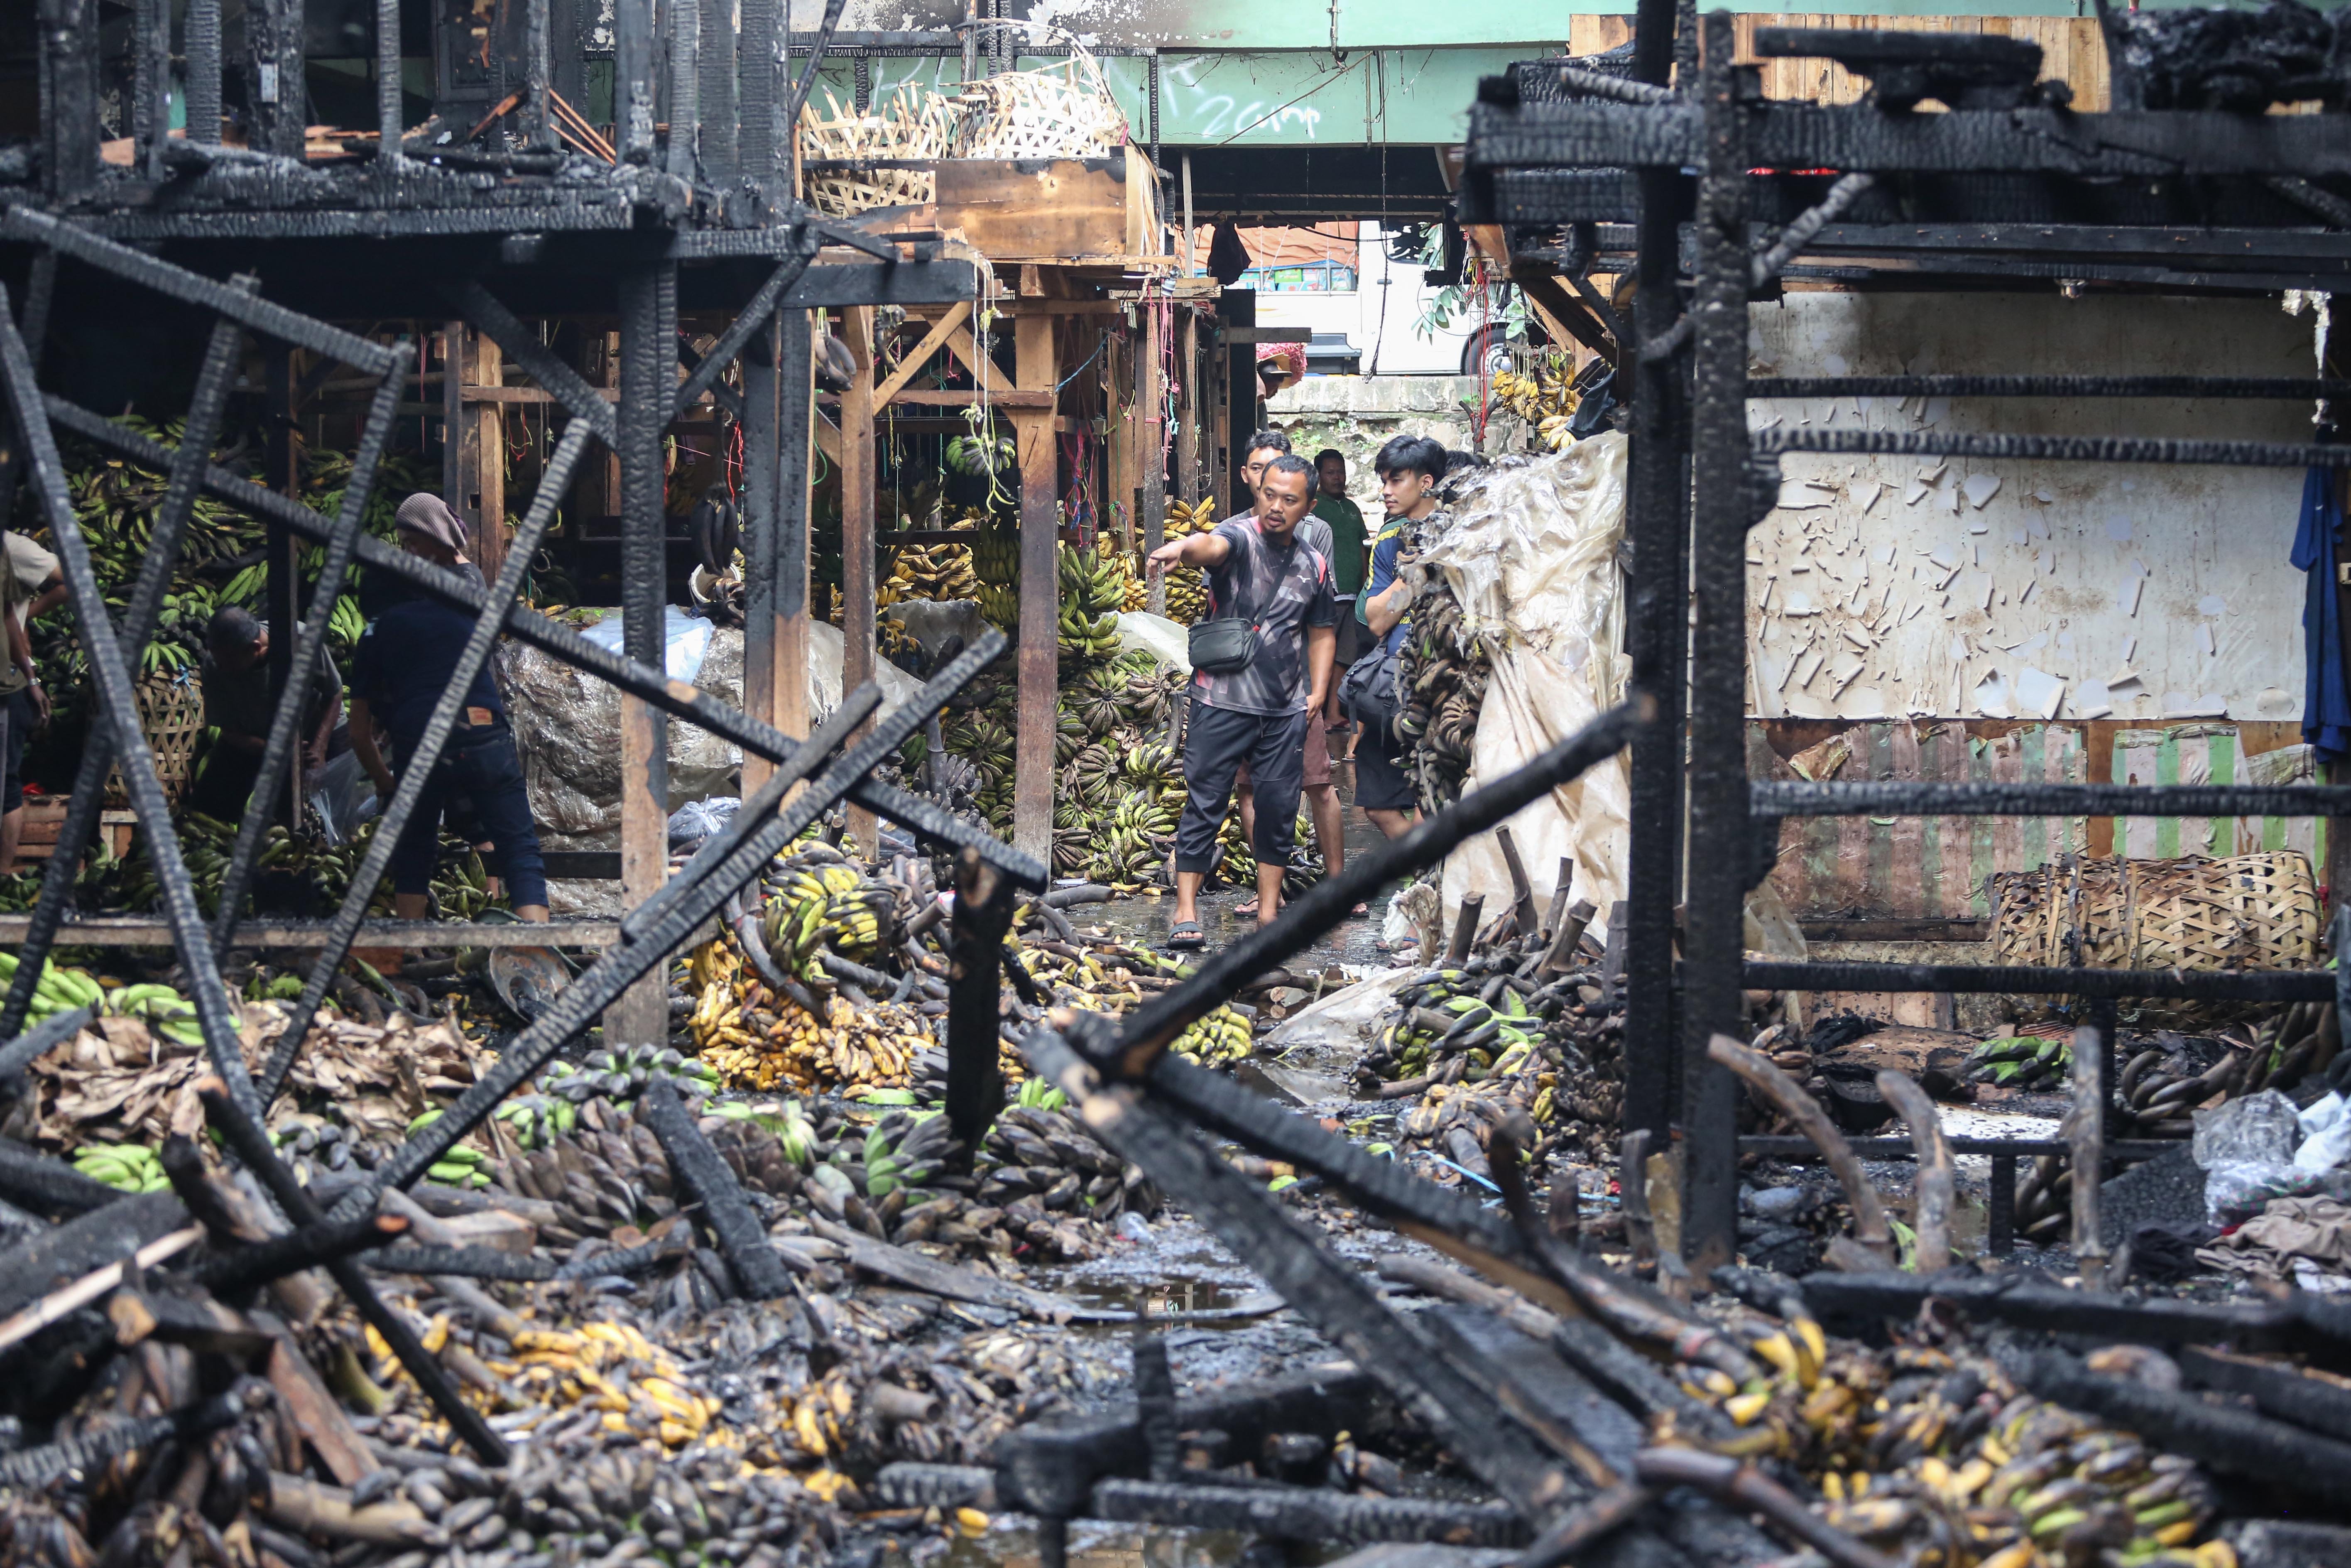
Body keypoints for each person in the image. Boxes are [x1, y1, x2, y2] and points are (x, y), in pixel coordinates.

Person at [1151, 453, 1336, 946]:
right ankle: (1185, 910)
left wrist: (1316, 691)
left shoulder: (1313, 564)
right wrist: (1182, 548)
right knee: (1205, 803)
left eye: (1289, 500)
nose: (1276, 507)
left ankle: (1269, 915)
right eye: (1269, 494)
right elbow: (1209, 547)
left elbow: (1320, 631)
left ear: (1309, 506)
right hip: (1221, 701)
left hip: (1282, 710)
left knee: (1277, 810)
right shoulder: (1240, 538)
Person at [349, 494, 549, 924]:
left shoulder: (378, 631)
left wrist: (386, 782)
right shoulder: (464, 605)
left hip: (421, 740)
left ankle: (410, 955)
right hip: (483, 732)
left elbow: (358, 730)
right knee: (519, 848)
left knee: (415, 850)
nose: (409, 551)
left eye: (410, 542)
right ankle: (537, 950)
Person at [1356, 435, 1446, 845]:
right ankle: (1424, 869)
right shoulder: (1391, 541)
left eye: (1396, 481)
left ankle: (1431, 886)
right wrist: (1414, 568)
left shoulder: (1461, 534)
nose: (1386, 491)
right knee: (1376, 802)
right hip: (1394, 683)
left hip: (1447, 687)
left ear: (1425, 482)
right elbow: (1375, 619)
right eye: (1383, 481)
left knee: (1433, 793)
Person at [185, 607, 345, 825]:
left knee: (320, 812)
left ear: (256, 648)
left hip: (315, 726)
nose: (222, 668)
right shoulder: (215, 665)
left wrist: (319, 748)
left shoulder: (301, 641)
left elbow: (334, 693)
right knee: (208, 807)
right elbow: (229, 730)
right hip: (257, 736)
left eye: (229, 663)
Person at [1311, 448, 1367, 758]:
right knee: (1324, 651)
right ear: (1319, 475)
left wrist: (1364, 588)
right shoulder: (1316, 509)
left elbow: (1362, 548)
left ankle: (1333, 713)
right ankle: (1320, 714)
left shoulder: (1352, 508)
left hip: (1353, 594)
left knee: (1344, 656)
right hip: (1327, 594)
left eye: (1341, 471)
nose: (1338, 477)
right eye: (1331, 472)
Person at [0, 561, 47, 875]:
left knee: (7, 782)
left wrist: (31, 679)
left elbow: (9, 617)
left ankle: (2, 872)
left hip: (4, 690)